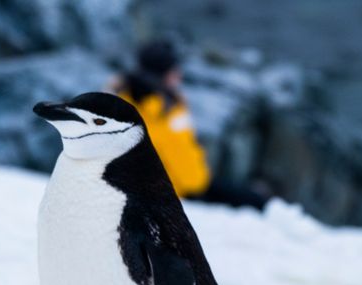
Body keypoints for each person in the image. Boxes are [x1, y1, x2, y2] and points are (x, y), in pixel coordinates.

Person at [111, 40, 268, 210]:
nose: (179, 75)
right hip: (173, 194)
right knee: (253, 204)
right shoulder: (129, 109)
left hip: (198, 182)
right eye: (173, 70)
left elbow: (185, 146)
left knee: (257, 200)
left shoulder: (172, 102)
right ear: (160, 73)